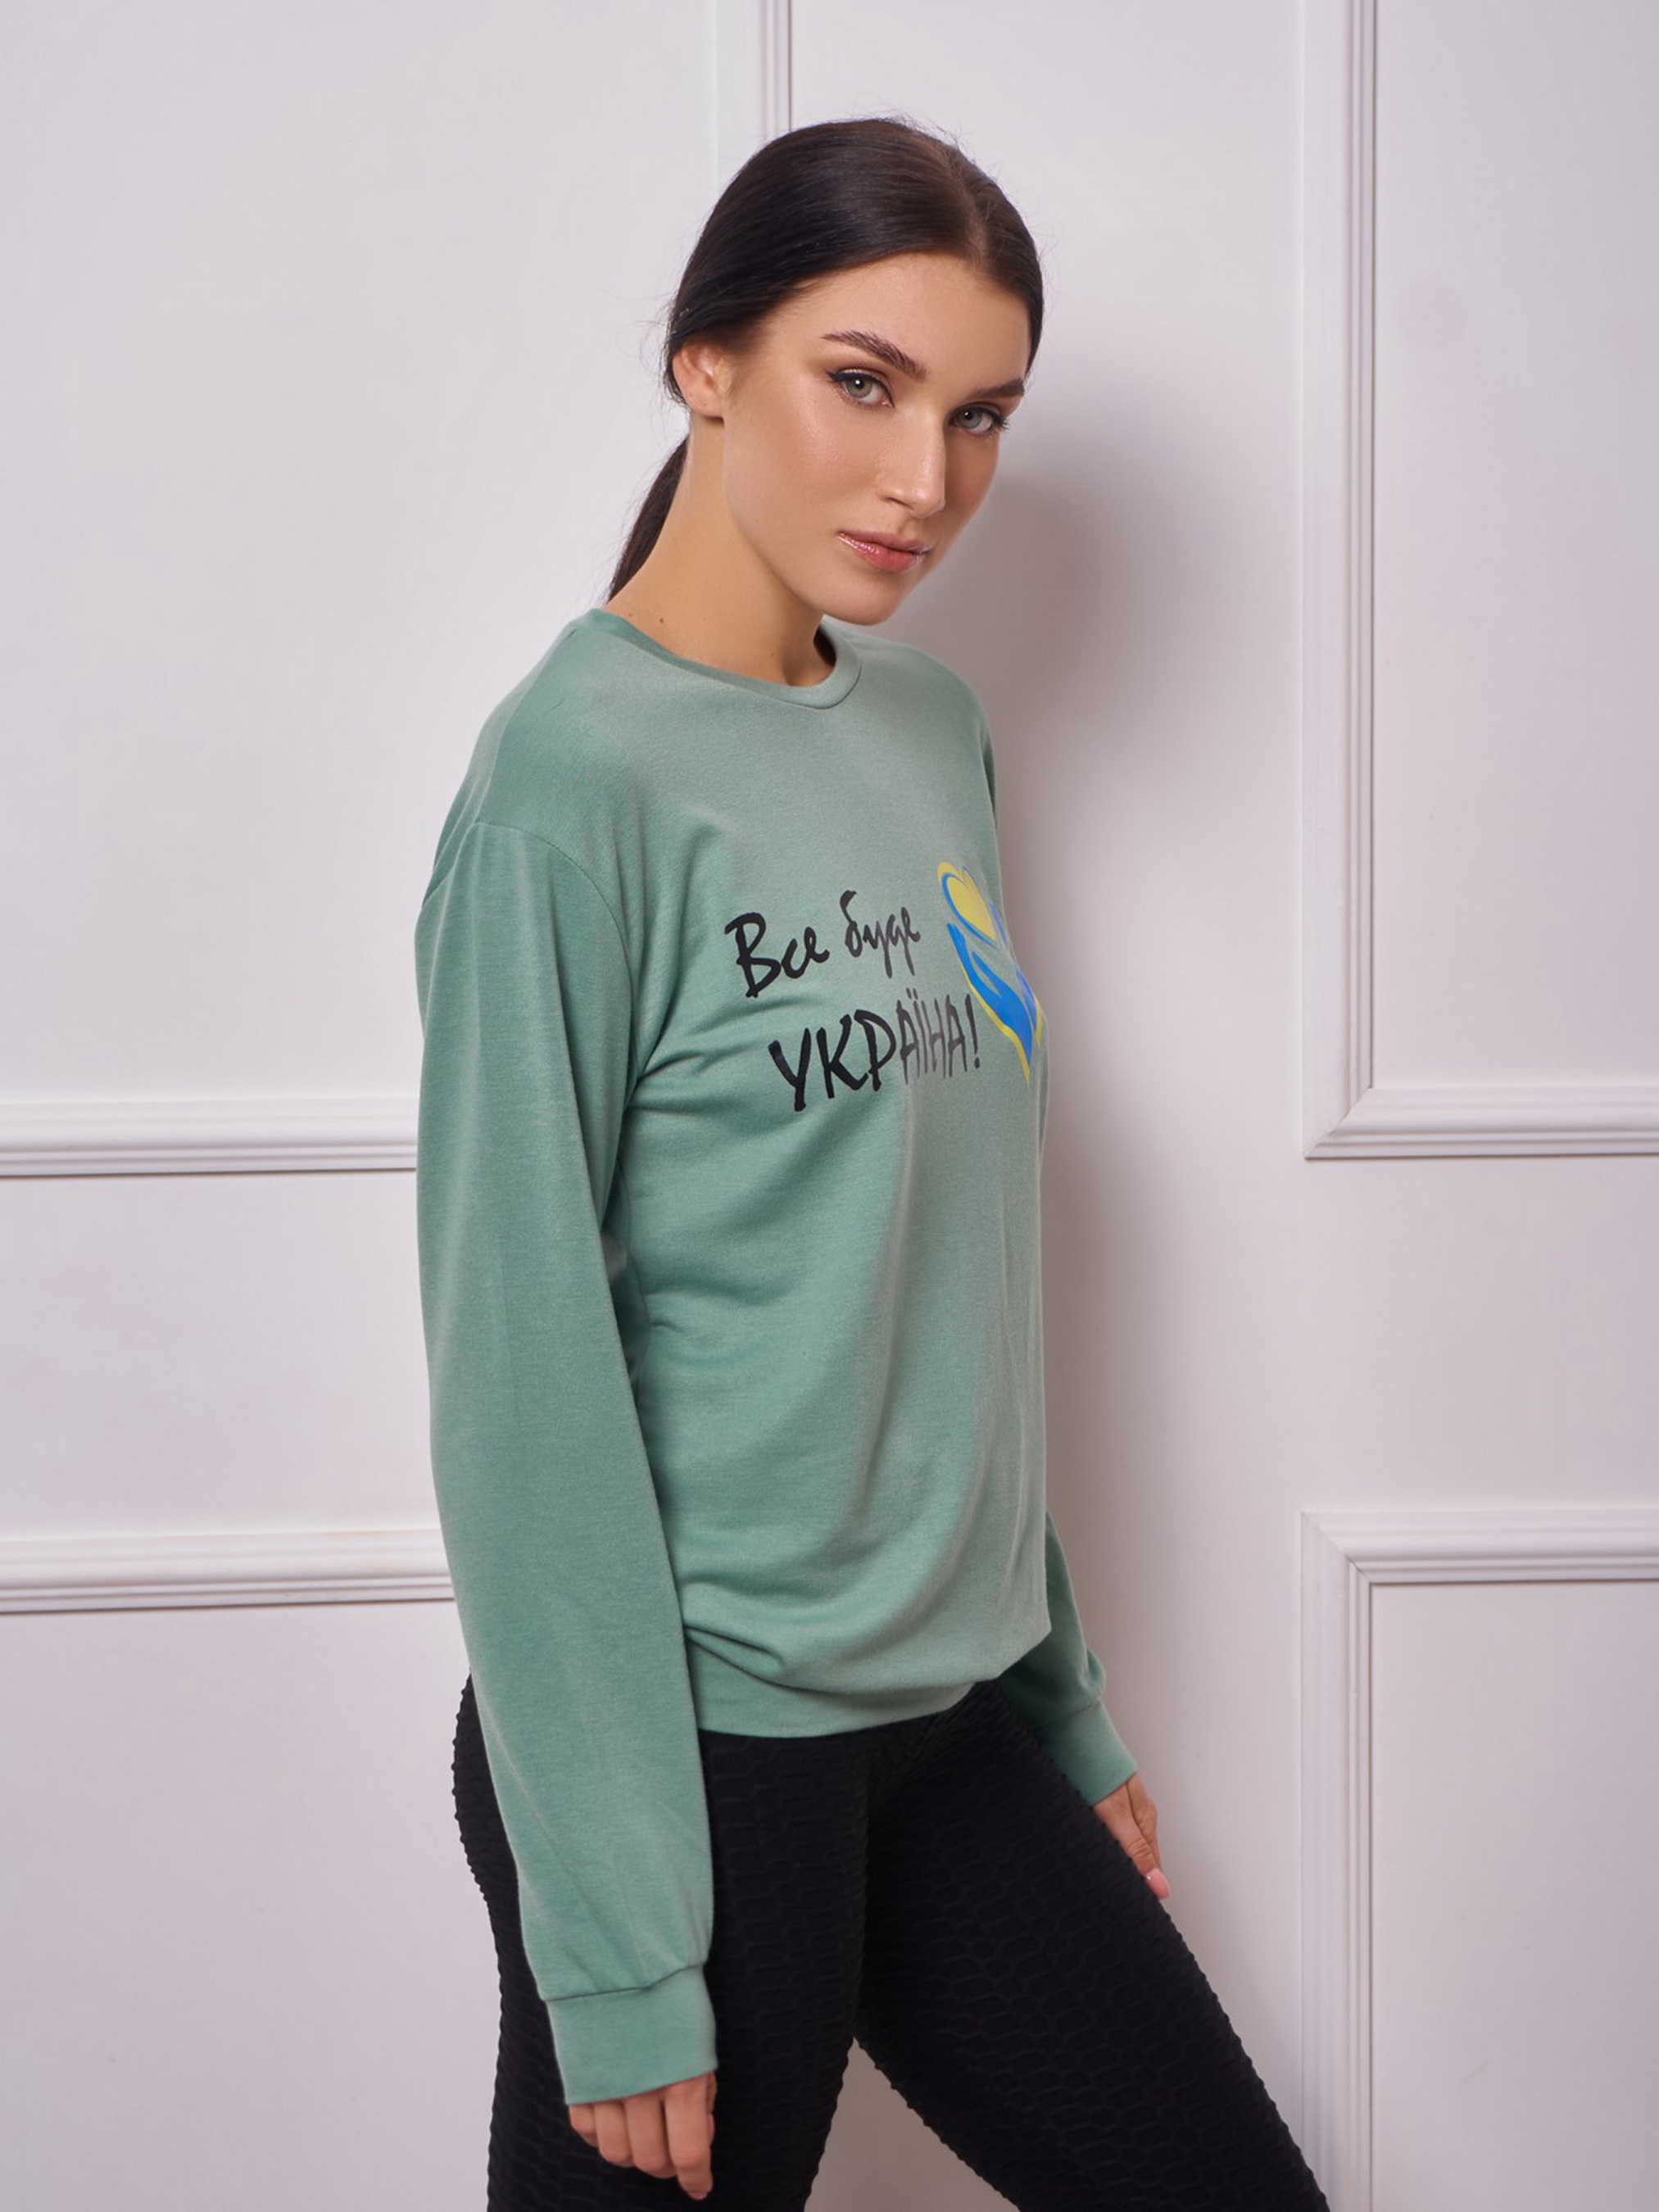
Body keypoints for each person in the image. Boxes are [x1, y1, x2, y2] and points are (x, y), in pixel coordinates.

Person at [415, 114, 1331, 2212]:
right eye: (865, 382)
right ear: (704, 361)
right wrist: (619, 1940)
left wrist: (1057, 1704)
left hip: (945, 1722)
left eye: (979, 414)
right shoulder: (563, 792)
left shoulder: (926, 731)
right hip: (700, 1755)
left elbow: (949, 1280)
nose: (926, 478)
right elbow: (520, 1382)